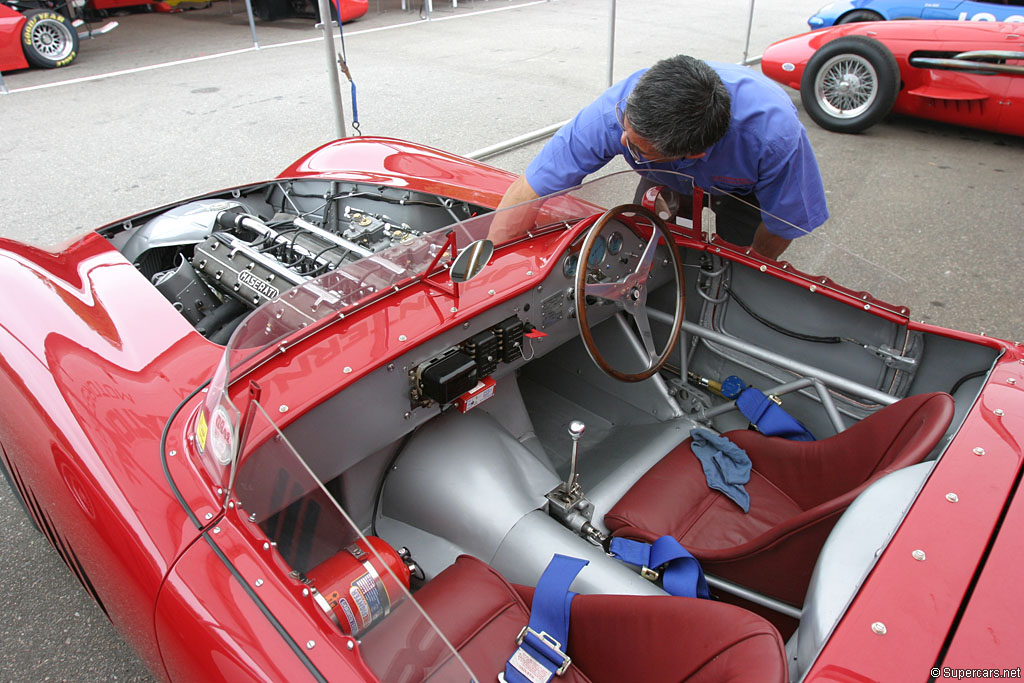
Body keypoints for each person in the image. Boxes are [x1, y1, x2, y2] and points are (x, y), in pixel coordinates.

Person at [487, 55, 829, 260]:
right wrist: (493, 263)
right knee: (643, 244)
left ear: (692, 154)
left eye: (636, 148)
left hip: (745, 191)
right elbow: (530, 190)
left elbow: (784, 223)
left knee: (738, 261)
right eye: (625, 129)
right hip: (666, 174)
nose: (621, 140)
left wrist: (755, 267)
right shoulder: (613, 113)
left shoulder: (774, 138)